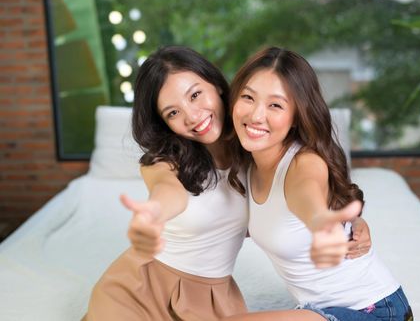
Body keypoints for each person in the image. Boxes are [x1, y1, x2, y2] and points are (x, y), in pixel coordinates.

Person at [84, 46, 372, 321]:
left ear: (217, 85)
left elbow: (304, 185)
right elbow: (168, 193)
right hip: (138, 290)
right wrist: (152, 214)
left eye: (195, 95)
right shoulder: (165, 162)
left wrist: (351, 222)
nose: (192, 116)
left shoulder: (256, 148)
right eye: (173, 112)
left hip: (211, 297)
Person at [224, 47, 413, 321]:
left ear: (296, 116)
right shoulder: (248, 167)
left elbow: (308, 194)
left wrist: (321, 222)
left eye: (275, 105)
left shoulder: (304, 162)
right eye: (248, 97)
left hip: (377, 310)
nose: (255, 115)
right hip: (318, 312)